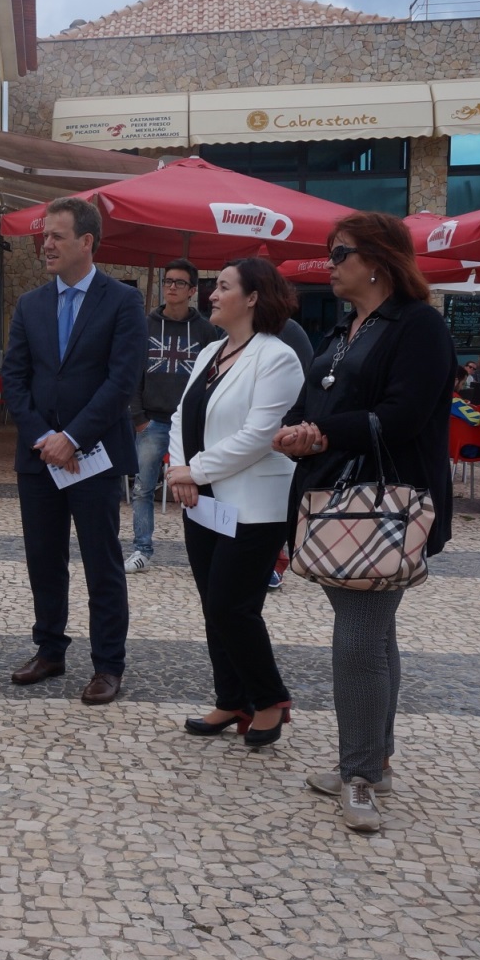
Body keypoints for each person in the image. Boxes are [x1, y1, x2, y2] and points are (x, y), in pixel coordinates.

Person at [273, 212, 457, 833]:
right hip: (337, 501)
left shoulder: (418, 326)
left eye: (340, 254)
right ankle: (375, 761)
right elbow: (313, 402)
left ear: (378, 261)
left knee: (359, 636)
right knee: (374, 634)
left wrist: (321, 432)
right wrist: (298, 430)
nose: (330, 265)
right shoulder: (344, 329)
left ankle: (358, 774)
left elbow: (403, 416)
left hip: (385, 505)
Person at [1, 196, 144, 705]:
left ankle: (108, 664)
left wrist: (73, 438)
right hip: (39, 458)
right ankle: (49, 650)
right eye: (44, 236)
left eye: (56, 236)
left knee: (102, 563)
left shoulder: (123, 302)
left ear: (86, 241)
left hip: (94, 457)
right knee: (44, 559)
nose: (46, 244)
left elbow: (121, 382)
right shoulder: (31, 304)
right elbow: (14, 377)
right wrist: (45, 438)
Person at [163, 258, 304, 747]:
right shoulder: (211, 351)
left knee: (232, 606)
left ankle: (269, 699)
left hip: (255, 505)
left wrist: (195, 471)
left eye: (223, 287)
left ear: (253, 298)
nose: (212, 295)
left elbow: (259, 435)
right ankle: (232, 698)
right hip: (204, 501)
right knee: (212, 604)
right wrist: (181, 471)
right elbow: (181, 415)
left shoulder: (278, 357)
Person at [126, 259, 222, 574]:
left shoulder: (206, 330)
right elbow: (133, 373)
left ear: (192, 290)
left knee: (199, 486)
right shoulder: (145, 325)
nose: (172, 287)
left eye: (180, 282)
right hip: (152, 421)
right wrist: (138, 417)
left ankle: (203, 551)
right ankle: (141, 549)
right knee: (143, 487)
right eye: (168, 281)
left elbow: (213, 378)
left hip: (191, 424)